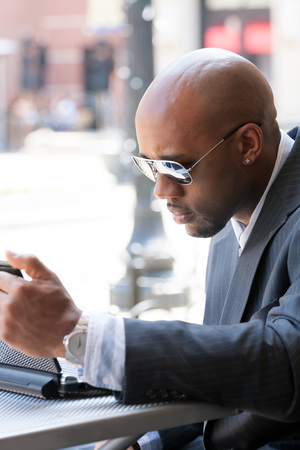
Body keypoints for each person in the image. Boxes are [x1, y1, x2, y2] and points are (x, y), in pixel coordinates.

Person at [1, 47, 300, 449]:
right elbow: (220, 372)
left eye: (177, 167)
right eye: (152, 166)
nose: (161, 190)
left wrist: (82, 336)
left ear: (248, 144)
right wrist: (144, 441)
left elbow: (282, 363)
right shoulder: (232, 203)